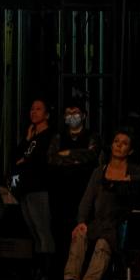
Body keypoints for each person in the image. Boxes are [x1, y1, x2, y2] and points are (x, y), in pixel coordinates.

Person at [63, 128, 140, 280]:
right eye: (116, 141)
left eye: (124, 143)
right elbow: (86, 200)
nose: (119, 145)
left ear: (129, 150)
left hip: (117, 226)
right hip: (98, 223)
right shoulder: (99, 172)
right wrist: (81, 222)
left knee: (102, 244)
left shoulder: (133, 171)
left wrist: (132, 179)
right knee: (79, 235)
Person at [47, 100, 101, 258]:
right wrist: (77, 156)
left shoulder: (92, 136)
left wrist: (65, 154)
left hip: (85, 192)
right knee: (61, 233)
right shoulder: (58, 137)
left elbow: (91, 155)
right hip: (61, 193)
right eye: (68, 113)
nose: (72, 116)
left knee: (84, 230)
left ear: (83, 115)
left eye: (75, 112)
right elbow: (51, 158)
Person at [11, 98, 56, 280]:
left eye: (38, 109)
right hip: (26, 188)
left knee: (43, 230)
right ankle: (38, 271)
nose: (34, 112)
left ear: (46, 114)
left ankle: (47, 273)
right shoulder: (32, 137)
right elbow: (17, 157)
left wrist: (24, 161)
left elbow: (38, 161)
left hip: (39, 187)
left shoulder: (49, 136)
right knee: (34, 231)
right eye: (32, 108)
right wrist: (27, 140)